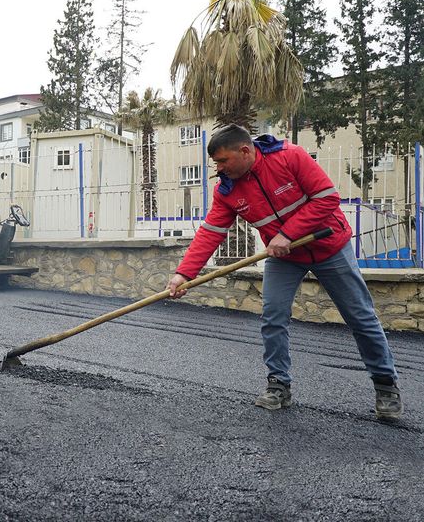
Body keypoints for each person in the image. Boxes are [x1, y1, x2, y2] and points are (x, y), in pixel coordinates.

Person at [166, 124, 402, 420]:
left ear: (245, 151)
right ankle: (279, 384)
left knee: (360, 316)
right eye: (216, 163)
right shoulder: (227, 189)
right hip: (284, 257)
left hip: (329, 245)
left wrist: (288, 233)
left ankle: (385, 386)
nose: (219, 168)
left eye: (223, 161)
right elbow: (211, 232)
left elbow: (327, 198)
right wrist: (184, 274)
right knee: (273, 316)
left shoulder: (291, 157)